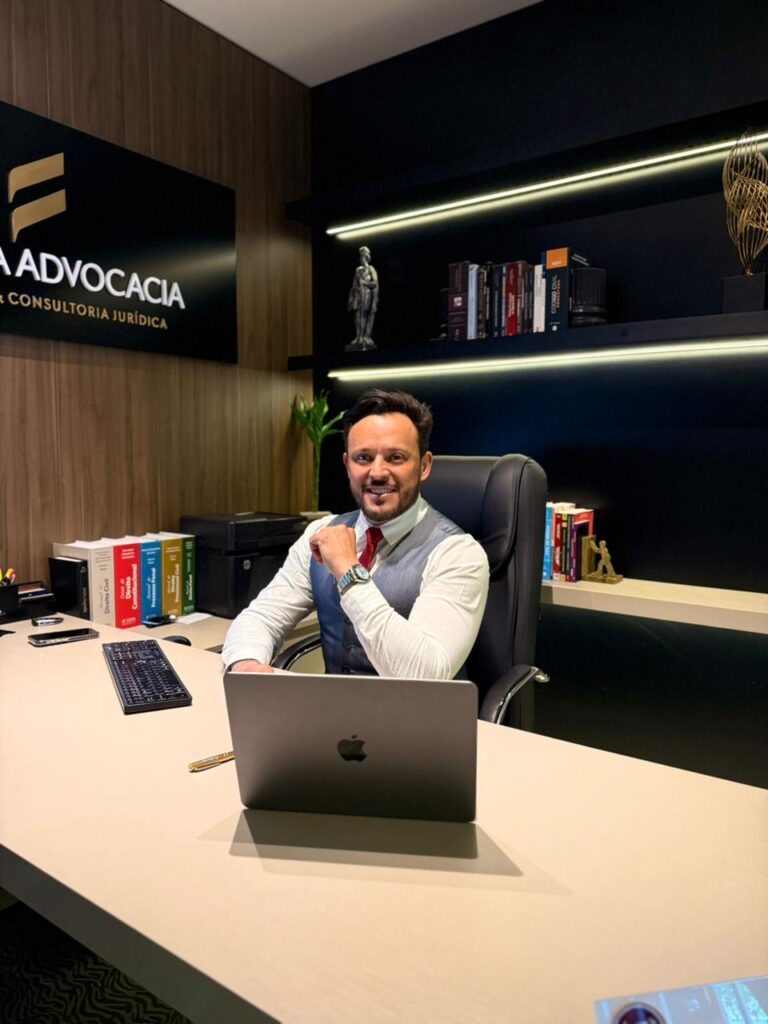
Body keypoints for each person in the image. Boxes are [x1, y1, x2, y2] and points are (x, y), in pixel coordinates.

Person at [222, 389, 489, 679]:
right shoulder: (322, 532)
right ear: (347, 465)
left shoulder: (459, 554)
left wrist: (348, 571)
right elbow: (262, 616)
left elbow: (425, 674)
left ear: (424, 466)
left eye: (395, 457)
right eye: (363, 458)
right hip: (330, 706)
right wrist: (246, 662)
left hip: (416, 710)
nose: (378, 473)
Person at [346, 246, 379, 350]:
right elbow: (354, 284)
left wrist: (364, 282)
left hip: (367, 295)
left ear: (367, 257)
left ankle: (365, 336)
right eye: (360, 257)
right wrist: (352, 296)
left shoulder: (371, 269)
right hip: (358, 296)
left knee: (365, 315)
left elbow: (374, 283)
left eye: (363, 257)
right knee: (357, 316)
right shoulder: (358, 270)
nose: (361, 259)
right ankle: (358, 336)